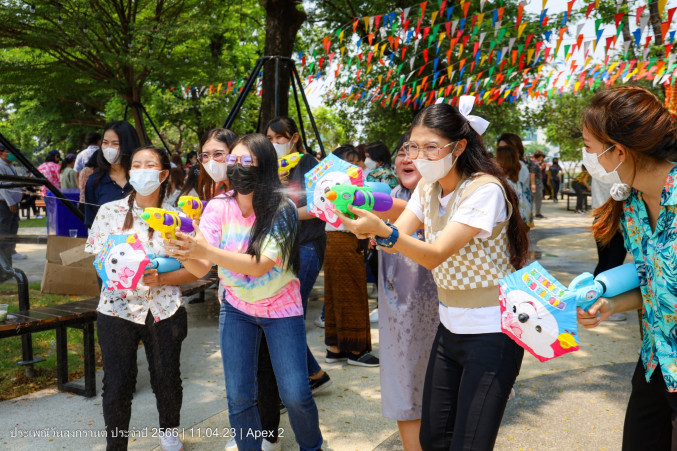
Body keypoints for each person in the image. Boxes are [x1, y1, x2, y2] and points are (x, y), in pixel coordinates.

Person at [337, 97, 528, 450]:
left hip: (492, 333)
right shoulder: (429, 187)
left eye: (430, 148)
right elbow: (402, 235)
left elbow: (435, 254)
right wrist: (364, 226)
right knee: (434, 438)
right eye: (413, 146)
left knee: (469, 443)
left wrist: (384, 232)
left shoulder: (485, 190)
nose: (418, 156)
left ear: (459, 147)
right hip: (450, 329)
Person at [167, 134, 324, 451]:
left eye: (246, 161)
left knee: (295, 394)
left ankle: (313, 447)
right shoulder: (217, 208)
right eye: (233, 161)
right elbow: (201, 268)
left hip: (282, 311)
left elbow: (259, 265)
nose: (236, 168)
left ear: (264, 165)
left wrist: (204, 251)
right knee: (239, 395)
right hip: (237, 309)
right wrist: (183, 250)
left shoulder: (283, 209)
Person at [576, 86, 677, 449]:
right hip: (656, 360)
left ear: (618, 151)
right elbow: (652, 277)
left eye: (589, 147)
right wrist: (607, 304)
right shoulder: (632, 199)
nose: (586, 157)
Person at [84, 145, 198, 451]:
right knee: (118, 382)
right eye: (136, 165)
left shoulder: (178, 218)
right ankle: (116, 444)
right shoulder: (110, 211)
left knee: (167, 377)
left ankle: (169, 434)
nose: (141, 170)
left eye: (150, 165)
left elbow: (194, 268)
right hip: (116, 309)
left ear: (162, 174)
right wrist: (118, 269)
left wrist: (160, 275)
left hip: (164, 309)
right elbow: (97, 257)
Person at [379, 133, 439, 451]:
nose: (407, 158)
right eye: (402, 151)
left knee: (441, 391)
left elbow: (406, 213)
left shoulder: (443, 198)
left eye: (416, 151)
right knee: (405, 388)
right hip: (399, 312)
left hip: (441, 312)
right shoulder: (388, 195)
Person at [265, 116, 332, 392]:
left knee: (291, 315)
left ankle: (297, 384)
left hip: (306, 246)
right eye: (269, 138)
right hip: (280, 248)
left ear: (294, 138)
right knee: (286, 314)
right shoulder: (271, 167)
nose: (274, 143)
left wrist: (288, 211)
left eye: (279, 138)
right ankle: (313, 373)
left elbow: (321, 205)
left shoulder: (309, 164)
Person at [322, 144, 380, 367]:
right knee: (352, 293)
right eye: (355, 163)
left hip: (338, 240)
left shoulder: (330, 185)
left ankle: (335, 348)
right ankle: (356, 350)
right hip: (344, 239)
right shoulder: (341, 187)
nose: (361, 166)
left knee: (336, 294)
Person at [84, 121, 139, 227]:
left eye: (115, 144)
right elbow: (91, 223)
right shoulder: (94, 182)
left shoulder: (142, 179)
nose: (109, 148)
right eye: (105, 143)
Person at [0, 144, 25, 275]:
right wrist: (10, 201)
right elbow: (2, 187)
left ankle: (8, 267)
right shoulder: (0, 166)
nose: (12, 154)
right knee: (4, 233)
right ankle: (3, 269)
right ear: (1, 152)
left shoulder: (10, 166)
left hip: (13, 203)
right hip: (4, 204)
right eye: (9, 151)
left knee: (12, 232)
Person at [497, 133, 533, 227]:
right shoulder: (503, 169)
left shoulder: (520, 167)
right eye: (500, 149)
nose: (503, 153)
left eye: (506, 148)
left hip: (519, 217)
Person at [529, 150, 545, 218]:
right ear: (540, 156)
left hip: (536, 183)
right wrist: (533, 184)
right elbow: (532, 173)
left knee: (532, 199)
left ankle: (531, 213)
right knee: (537, 198)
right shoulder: (534, 163)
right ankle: (537, 213)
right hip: (536, 184)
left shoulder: (535, 163)